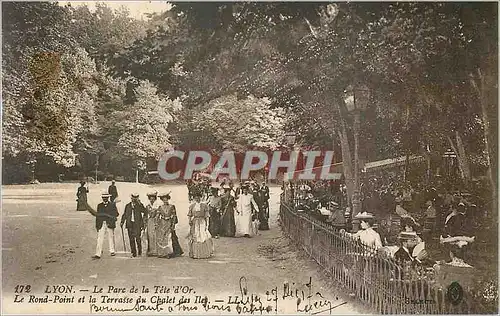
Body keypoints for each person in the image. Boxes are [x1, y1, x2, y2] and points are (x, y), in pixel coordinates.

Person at [187, 191, 214, 259]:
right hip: (195, 222)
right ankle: (195, 253)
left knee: (202, 236)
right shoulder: (192, 206)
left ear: (200, 198)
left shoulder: (204, 205)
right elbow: (189, 215)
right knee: (195, 236)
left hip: (202, 221)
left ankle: (203, 253)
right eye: (196, 198)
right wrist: (190, 221)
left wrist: (207, 224)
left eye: (198, 197)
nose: (197, 199)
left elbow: (207, 216)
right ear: (194, 198)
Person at [92, 192, 119, 259]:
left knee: (111, 237)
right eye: (104, 197)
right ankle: (98, 253)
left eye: (106, 197)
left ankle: (112, 251)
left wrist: (111, 218)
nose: (105, 199)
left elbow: (116, 214)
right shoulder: (99, 205)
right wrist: (97, 226)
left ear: (108, 198)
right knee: (100, 238)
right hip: (101, 223)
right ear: (102, 198)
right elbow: (97, 216)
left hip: (109, 223)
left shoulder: (112, 205)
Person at [120, 193, 146, 258]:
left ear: (137, 198)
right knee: (131, 239)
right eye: (133, 197)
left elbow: (144, 211)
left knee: (138, 238)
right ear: (131, 198)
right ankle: (133, 252)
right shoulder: (127, 206)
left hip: (137, 224)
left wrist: (140, 204)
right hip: (130, 224)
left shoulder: (139, 205)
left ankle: (139, 251)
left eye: (136, 197)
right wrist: (122, 222)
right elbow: (125, 214)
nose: (134, 199)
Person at [155, 192, 176, 258]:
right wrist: (156, 223)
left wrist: (173, 224)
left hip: (169, 222)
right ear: (162, 200)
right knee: (162, 238)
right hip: (162, 223)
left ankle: (168, 253)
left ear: (168, 199)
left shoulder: (172, 206)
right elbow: (157, 216)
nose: (165, 201)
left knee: (168, 238)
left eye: (166, 199)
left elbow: (174, 216)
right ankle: (162, 253)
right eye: (164, 200)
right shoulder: (160, 207)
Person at [145, 191, 162, 257]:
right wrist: (145, 222)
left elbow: (158, 214)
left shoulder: (157, 206)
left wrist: (157, 221)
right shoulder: (147, 206)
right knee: (150, 235)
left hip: (156, 221)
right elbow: (145, 214)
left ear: (155, 199)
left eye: (153, 199)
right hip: (149, 221)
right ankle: (151, 251)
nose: (152, 200)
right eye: (150, 199)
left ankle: (156, 250)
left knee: (156, 235)